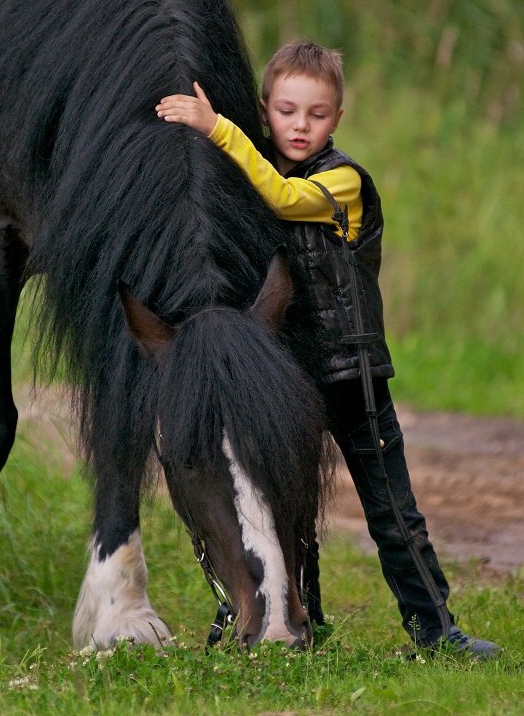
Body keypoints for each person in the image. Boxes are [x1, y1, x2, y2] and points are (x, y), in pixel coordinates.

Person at [155, 41, 501, 659]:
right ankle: (290, 616)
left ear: (337, 118)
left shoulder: (340, 179)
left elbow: (285, 202)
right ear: (268, 111)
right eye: (287, 112)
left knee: (392, 510)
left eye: (316, 114)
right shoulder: (261, 169)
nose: (300, 126)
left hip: (352, 374)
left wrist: (219, 130)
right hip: (289, 376)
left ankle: (436, 631)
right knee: (279, 503)